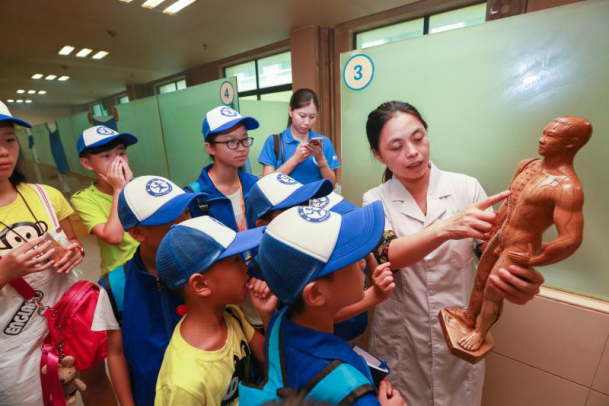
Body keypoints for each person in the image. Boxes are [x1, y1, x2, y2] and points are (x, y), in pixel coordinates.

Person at [362, 101, 546, 406]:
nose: (412, 152)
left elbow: (490, 252)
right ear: (378, 155)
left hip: (460, 338)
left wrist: (517, 274)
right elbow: (387, 255)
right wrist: (449, 227)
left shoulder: (465, 188)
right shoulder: (374, 200)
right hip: (401, 342)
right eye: (396, 146)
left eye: (418, 138)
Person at [0, 101, 118, 406]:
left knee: (94, 384)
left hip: (69, 319)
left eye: (9, 139)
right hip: (13, 342)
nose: (3, 151)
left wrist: (71, 252)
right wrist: (4, 272)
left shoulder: (45, 195)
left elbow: (71, 244)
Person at [453, 116, 591, 351]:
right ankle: (468, 316)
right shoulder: (527, 165)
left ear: (571, 143)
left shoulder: (567, 187)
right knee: (480, 277)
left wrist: (536, 259)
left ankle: (479, 332)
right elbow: (509, 203)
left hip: (521, 247)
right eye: (543, 132)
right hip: (502, 235)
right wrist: (492, 232)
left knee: (493, 290)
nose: (541, 139)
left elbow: (570, 239)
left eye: (550, 136)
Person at [256, 203, 405, 405]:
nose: (362, 262)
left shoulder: (280, 321)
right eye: (351, 259)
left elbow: (328, 315)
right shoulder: (356, 395)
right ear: (316, 293)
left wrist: (375, 295)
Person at [100, 175, 207, 406]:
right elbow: (116, 354)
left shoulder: (204, 267)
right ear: (138, 233)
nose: (186, 224)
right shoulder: (114, 286)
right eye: (172, 221)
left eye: (187, 213)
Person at [154, 216, 276, 405]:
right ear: (201, 284)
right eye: (236, 259)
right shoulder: (182, 384)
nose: (246, 266)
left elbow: (272, 365)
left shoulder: (231, 315)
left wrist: (266, 314)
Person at [71, 125, 139, 277]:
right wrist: (119, 189)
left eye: (121, 153)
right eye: (106, 156)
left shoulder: (139, 185)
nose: (119, 162)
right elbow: (114, 237)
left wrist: (130, 185)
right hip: (120, 274)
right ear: (87, 163)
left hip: (154, 266)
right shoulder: (83, 198)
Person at [258, 89, 340, 185]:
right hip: (287, 200)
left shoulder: (324, 142)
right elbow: (267, 184)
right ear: (290, 111)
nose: (307, 122)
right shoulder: (273, 141)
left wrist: (320, 158)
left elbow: (332, 184)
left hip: (316, 199)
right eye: (302, 115)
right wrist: (295, 160)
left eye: (312, 116)